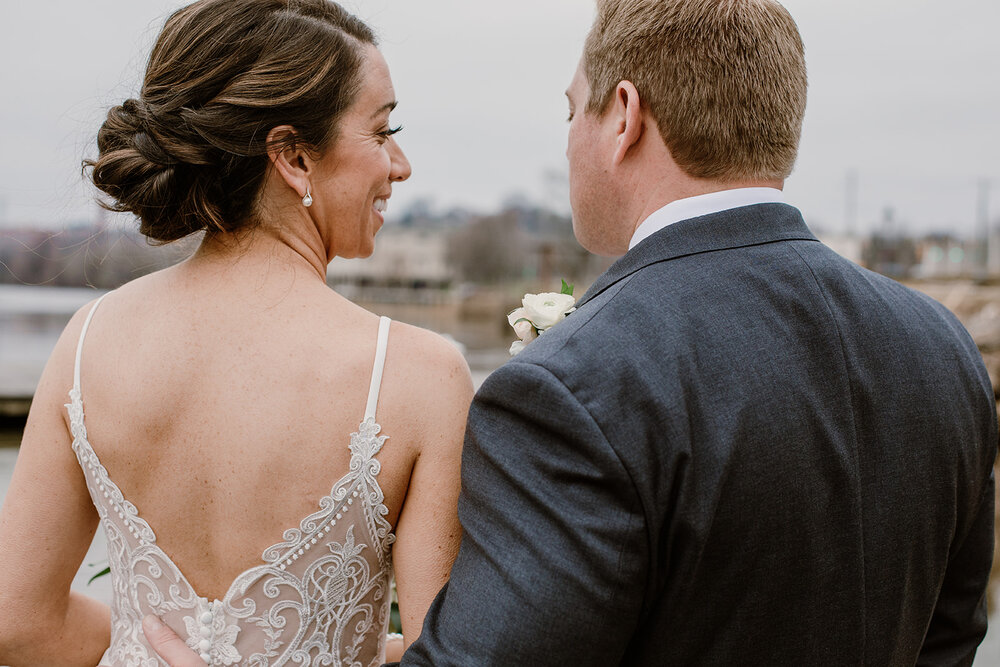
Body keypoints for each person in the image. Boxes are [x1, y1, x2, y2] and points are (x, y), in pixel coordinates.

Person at [145, 0, 998, 665]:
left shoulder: (574, 386)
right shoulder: (942, 348)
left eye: (572, 111)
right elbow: (951, 636)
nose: (569, 141)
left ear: (623, 116)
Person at [0, 0, 473, 665]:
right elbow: (447, 657)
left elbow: (17, 625)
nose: (400, 164)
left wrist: (147, 642)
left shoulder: (89, 340)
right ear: (293, 156)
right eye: (381, 130)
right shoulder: (420, 375)